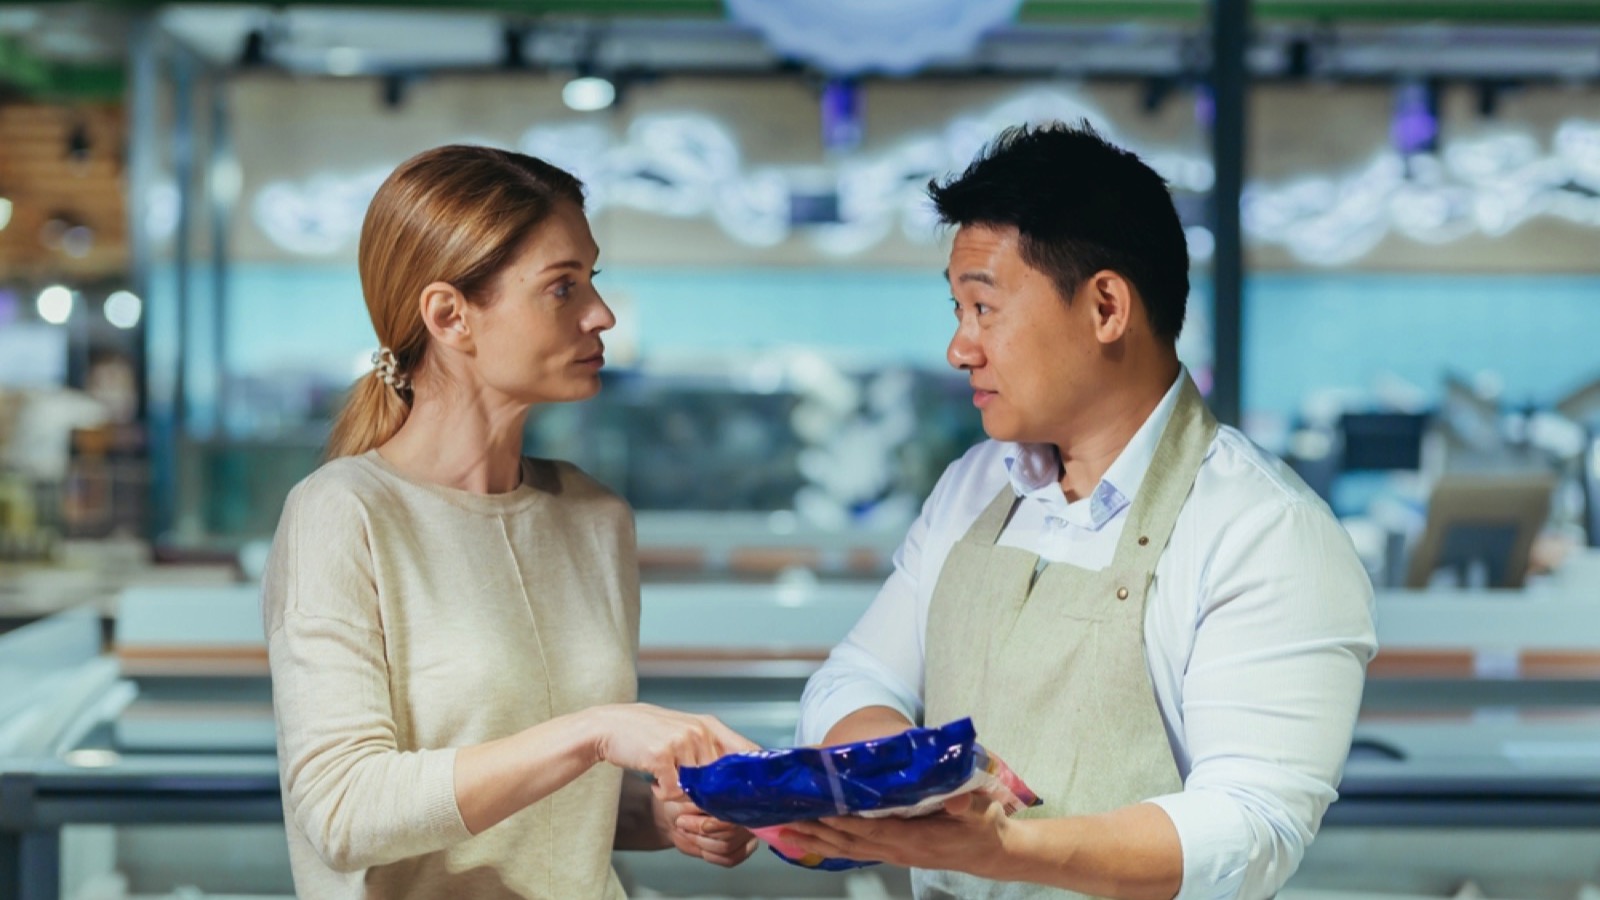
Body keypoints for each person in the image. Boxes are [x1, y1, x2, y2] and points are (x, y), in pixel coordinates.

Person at [784, 122, 1378, 900]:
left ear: (1105, 307)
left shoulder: (1264, 531)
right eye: (957, 309)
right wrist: (913, 782)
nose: (959, 348)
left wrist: (1005, 845)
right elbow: (854, 679)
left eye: (984, 308)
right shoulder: (973, 486)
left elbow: (1251, 826)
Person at [262, 145, 758, 899]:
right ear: (450, 315)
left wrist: (666, 814)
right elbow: (342, 811)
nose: (602, 313)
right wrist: (597, 731)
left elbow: (551, 800)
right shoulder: (341, 513)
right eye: (563, 287)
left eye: (592, 277)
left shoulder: (596, 519)